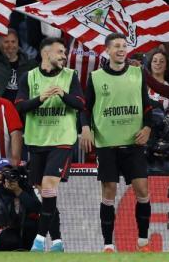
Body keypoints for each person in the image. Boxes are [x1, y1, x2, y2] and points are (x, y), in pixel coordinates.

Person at [81, 33, 155, 253]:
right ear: (107, 51)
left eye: (124, 46)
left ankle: (143, 241)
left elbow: (148, 106)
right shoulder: (95, 77)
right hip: (107, 145)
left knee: (142, 190)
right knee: (109, 191)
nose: (121, 49)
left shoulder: (138, 73)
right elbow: (86, 107)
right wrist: (85, 128)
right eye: (116, 46)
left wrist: (148, 128)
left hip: (134, 145)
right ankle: (108, 244)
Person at [15, 37, 84, 252]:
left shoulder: (70, 76)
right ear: (46, 54)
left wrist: (63, 94)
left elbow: (81, 104)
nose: (64, 55)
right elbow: (19, 106)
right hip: (36, 141)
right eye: (60, 51)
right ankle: (57, 242)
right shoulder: (29, 77)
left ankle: (38, 239)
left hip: (62, 140)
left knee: (48, 186)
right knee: (46, 194)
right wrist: (40, 98)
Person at [0, 158, 41, 251]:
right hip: (1, 236)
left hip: (24, 234)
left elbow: (37, 208)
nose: (7, 176)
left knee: (31, 224)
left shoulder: (22, 186)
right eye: (2, 174)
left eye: (9, 171)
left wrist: (18, 191)